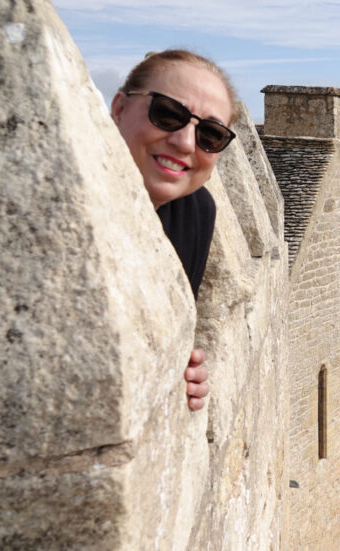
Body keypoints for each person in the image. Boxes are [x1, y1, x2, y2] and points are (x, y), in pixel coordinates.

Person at [110, 49, 238, 412]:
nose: (184, 142)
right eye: (167, 114)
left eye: (210, 134)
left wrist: (190, 371)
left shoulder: (194, 213)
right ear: (119, 108)